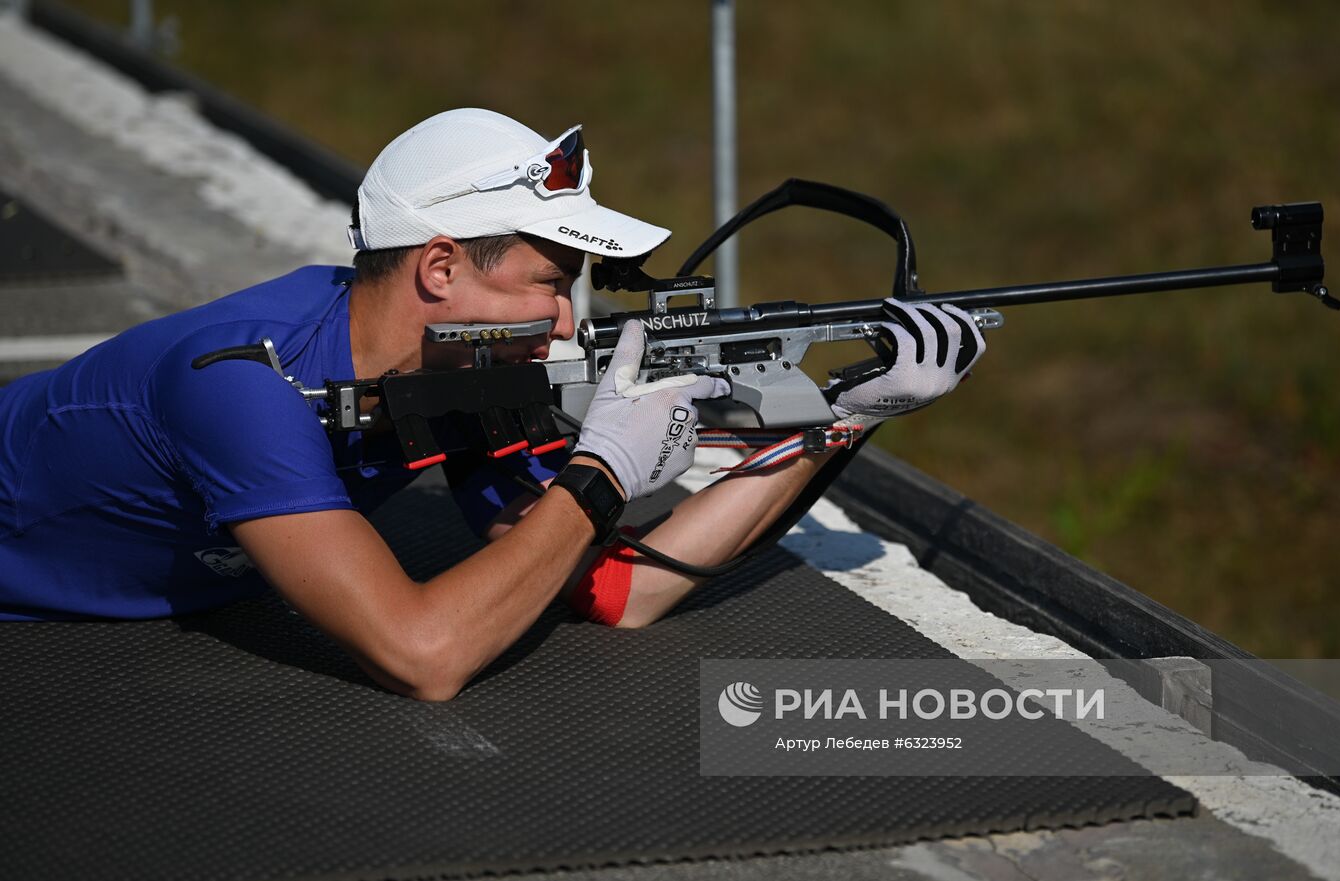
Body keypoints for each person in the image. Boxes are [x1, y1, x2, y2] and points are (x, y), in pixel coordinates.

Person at [0, 109, 986, 700]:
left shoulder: (453, 382)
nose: (564, 321)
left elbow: (619, 590)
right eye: (547, 281)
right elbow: (422, 653)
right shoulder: (240, 383)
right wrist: (600, 470)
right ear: (438, 266)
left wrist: (841, 419)